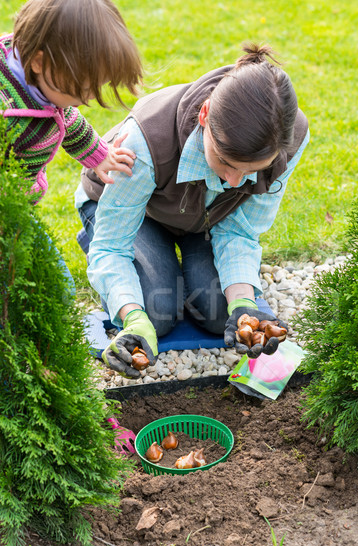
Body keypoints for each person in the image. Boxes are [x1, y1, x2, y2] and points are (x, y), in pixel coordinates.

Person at [75, 43, 310, 378]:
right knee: (155, 315)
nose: (233, 181)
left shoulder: (288, 138)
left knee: (222, 316)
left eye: (250, 171)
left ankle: (172, 272)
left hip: (203, 221)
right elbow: (113, 245)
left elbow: (240, 230)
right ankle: (139, 269)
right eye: (226, 163)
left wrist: (242, 303)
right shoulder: (144, 141)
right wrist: (133, 316)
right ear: (204, 115)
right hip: (133, 215)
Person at [0, 0, 143, 200]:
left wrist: (99, 154)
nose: (90, 97)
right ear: (39, 63)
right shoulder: (8, 116)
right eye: (84, 88)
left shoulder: (43, 89)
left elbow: (66, 118)